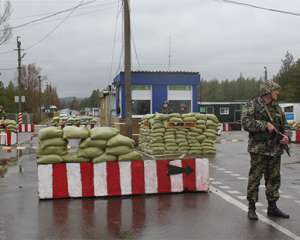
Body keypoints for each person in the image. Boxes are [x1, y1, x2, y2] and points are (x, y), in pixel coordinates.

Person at [241, 80, 290, 221]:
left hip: (275, 149)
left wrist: (286, 136)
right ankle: (251, 208)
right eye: (275, 90)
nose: (277, 93)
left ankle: (272, 207)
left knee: (274, 179)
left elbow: (285, 124)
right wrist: (264, 124)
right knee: (255, 178)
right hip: (259, 149)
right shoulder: (252, 105)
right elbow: (245, 122)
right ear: (267, 91)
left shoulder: (277, 107)